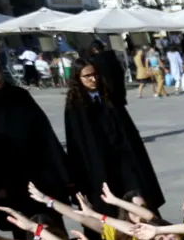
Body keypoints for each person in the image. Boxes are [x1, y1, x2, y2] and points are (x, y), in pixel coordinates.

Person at [0, 53, 70, 219]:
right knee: (24, 228)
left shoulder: (19, 95)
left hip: (38, 172)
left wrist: (62, 170)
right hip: (7, 180)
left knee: (52, 221)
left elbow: (45, 133)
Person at [64, 58, 165, 217]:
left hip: (124, 158)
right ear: (78, 78)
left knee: (139, 196)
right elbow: (76, 143)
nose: (93, 79)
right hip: (100, 165)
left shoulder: (109, 96)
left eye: (95, 74)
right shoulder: (75, 106)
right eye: (87, 76)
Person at [88, 39, 127, 106]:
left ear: (94, 49)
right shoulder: (112, 57)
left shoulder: (97, 60)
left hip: (108, 95)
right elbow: (121, 72)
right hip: (120, 93)